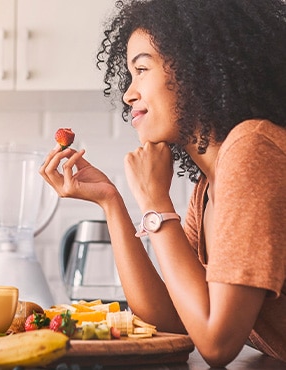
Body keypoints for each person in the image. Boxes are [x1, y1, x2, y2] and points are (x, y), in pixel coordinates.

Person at [40, 0, 286, 366]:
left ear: (196, 69)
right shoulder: (207, 187)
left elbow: (216, 345)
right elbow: (174, 317)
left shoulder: (253, 148)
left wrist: (156, 202)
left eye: (141, 69)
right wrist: (112, 202)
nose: (128, 93)